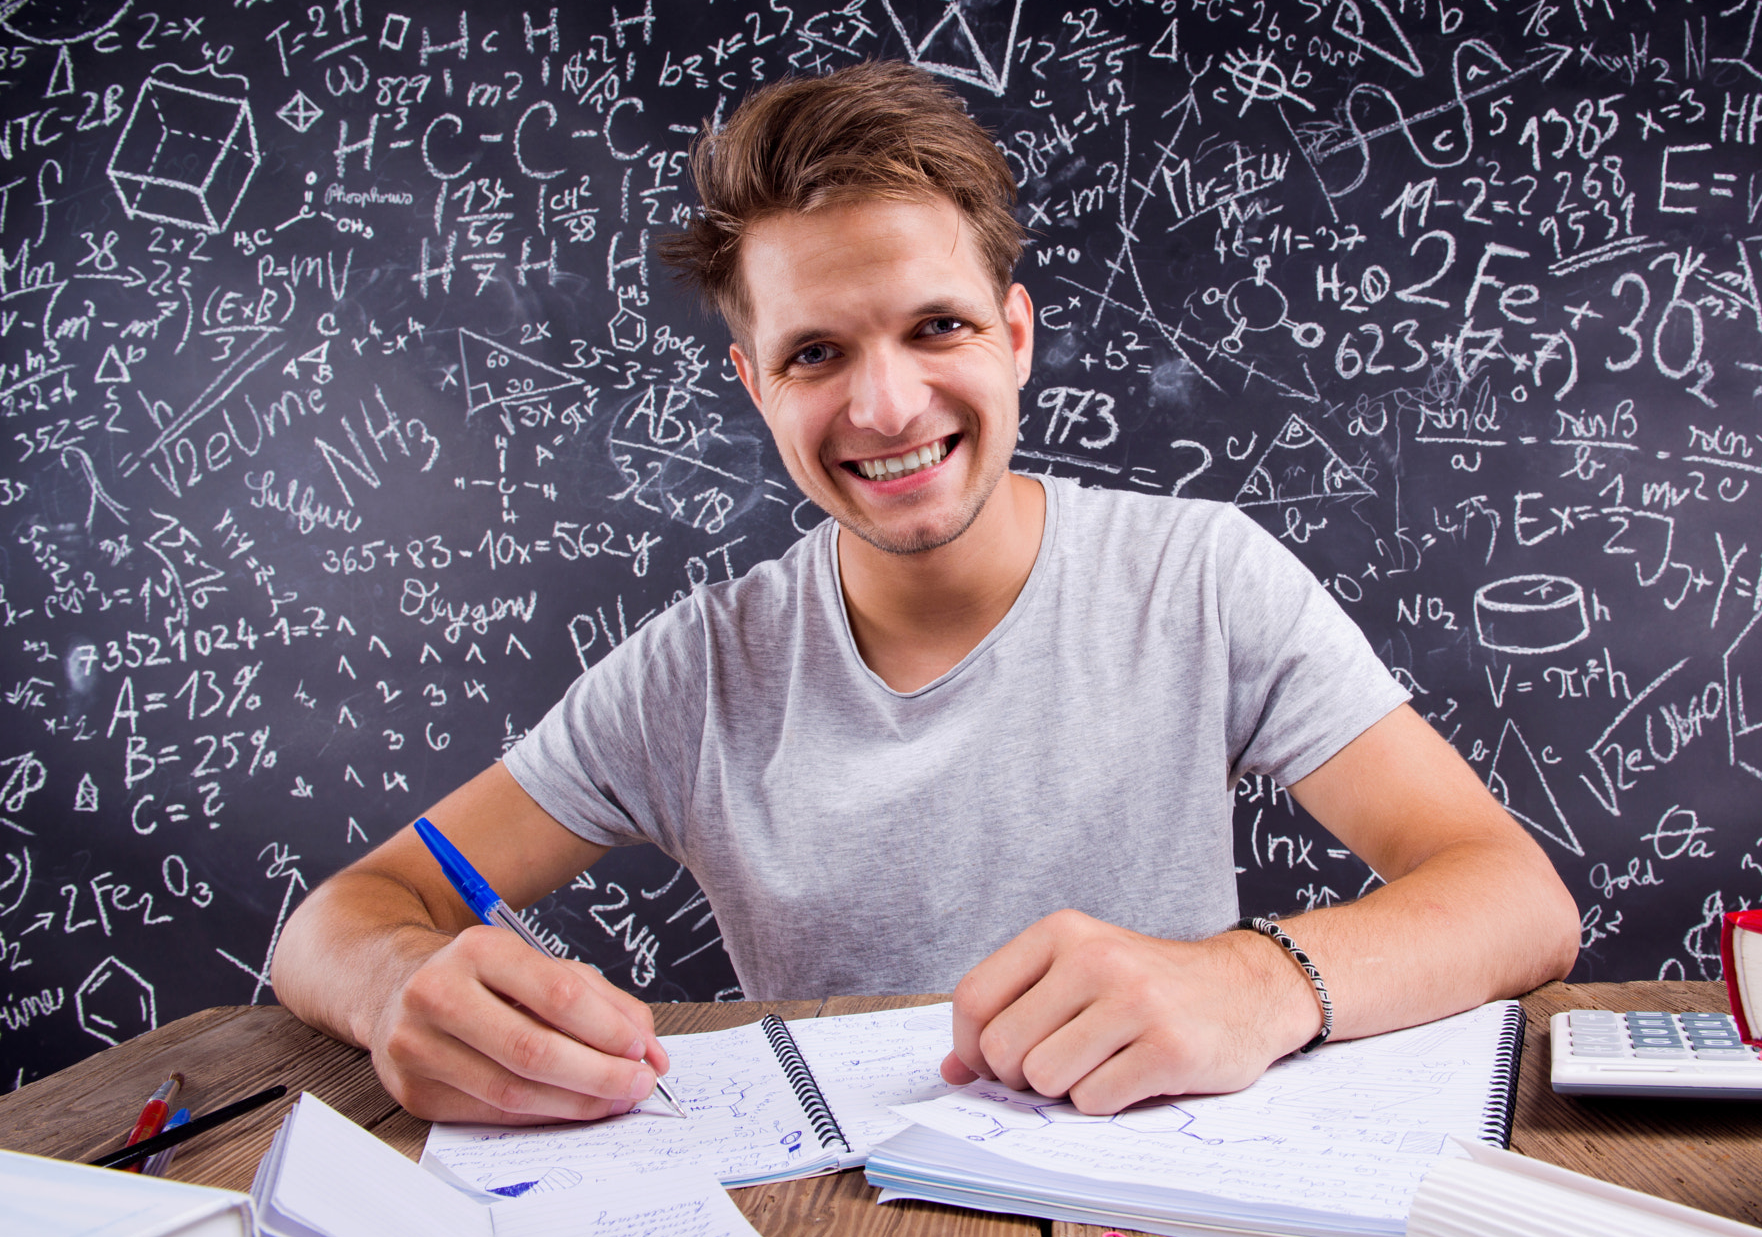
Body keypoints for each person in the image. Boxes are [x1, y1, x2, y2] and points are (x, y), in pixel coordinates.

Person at [273, 60, 1578, 1127]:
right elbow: (345, 917)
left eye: (935, 327)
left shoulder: (1199, 579)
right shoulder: (696, 674)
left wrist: (1258, 982)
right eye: (817, 353)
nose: (885, 405)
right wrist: (402, 989)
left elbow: (1514, 896)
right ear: (756, 388)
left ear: (1014, 336)